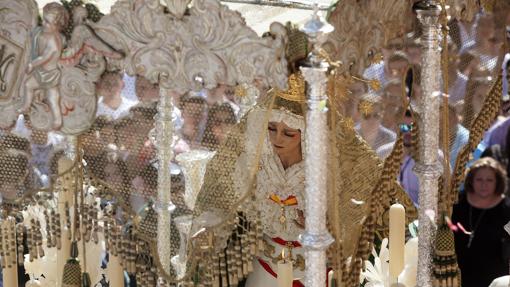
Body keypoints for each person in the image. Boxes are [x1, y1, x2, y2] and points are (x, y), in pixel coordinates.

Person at [452, 157, 510, 287]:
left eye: (489, 180)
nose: (484, 184)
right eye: (479, 179)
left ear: (498, 182)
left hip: (493, 279)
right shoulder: (457, 202)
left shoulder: (507, 210)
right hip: (458, 275)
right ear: (471, 180)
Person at [19, 3, 69, 129]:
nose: (44, 24)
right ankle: (26, 106)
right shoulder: (43, 33)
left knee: (53, 99)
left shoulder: (54, 42)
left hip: (49, 76)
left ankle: (57, 120)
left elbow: (44, 57)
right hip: (41, 73)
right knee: (28, 85)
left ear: (57, 26)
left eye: (47, 22)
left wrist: (32, 64)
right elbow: (34, 34)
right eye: (44, 19)